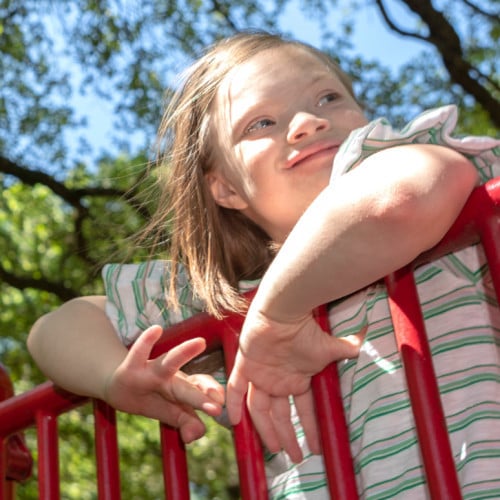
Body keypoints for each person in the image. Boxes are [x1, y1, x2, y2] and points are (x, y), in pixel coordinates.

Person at [27, 30, 500, 498]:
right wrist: (113, 378)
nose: (308, 122)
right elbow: (56, 328)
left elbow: (398, 201)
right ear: (227, 189)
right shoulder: (231, 297)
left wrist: (275, 316)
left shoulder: (436, 207)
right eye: (261, 124)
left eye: (329, 97)